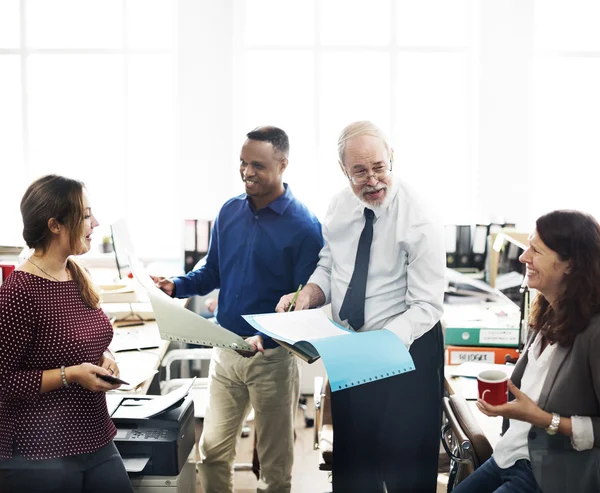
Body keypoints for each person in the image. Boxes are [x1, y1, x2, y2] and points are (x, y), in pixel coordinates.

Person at [276, 121, 446, 492]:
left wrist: (379, 347)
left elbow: (427, 304)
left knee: (405, 468)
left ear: (392, 159)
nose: (372, 180)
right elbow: (330, 264)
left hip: (408, 350)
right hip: (351, 346)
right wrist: (309, 295)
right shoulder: (340, 205)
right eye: (359, 171)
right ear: (343, 170)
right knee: (354, 464)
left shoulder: (420, 217)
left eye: (379, 167)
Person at [152, 126, 323, 493]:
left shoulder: (305, 228)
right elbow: (212, 271)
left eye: (257, 165)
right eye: (242, 163)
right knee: (213, 452)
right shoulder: (229, 211)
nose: (247, 172)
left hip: (271, 360)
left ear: (283, 164)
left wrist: (268, 335)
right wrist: (176, 285)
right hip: (225, 352)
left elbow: (303, 305)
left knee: (275, 466)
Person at [0, 175, 133, 493]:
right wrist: (70, 375)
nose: (95, 222)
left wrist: (106, 357)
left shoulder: (75, 273)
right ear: (55, 225)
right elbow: (3, 382)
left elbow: (91, 338)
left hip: (94, 435)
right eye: (86, 215)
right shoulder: (19, 292)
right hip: (40, 449)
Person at [453, 209, 600, 493]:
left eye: (536, 251)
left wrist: (544, 420)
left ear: (570, 265)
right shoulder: (546, 313)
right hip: (509, 455)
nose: (523, 257)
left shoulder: (594, 334)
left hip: (550, 474)